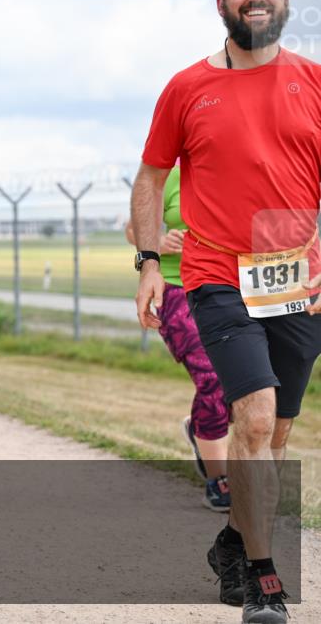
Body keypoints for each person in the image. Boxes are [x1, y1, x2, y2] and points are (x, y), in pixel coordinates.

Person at [131, 0, 321, 622]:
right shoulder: (188, 87)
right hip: (217, 278)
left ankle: (233, 545)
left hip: (298, 280)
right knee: (256, 416)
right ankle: (264, 582)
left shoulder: (314, 81)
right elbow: (152, 177)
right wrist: (150, 261)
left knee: (272, 440)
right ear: (221, 3)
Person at [126, 167, 231, 512]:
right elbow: (133, 229)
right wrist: (157, 242)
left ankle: (200, 428)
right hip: (176, 291)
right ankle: (219, 480)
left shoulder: (237, 166)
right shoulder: (168, 175)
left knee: (243, 383)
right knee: (211, 378)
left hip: (230, 290)